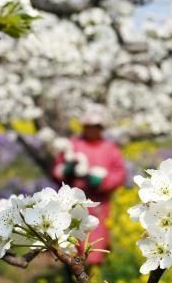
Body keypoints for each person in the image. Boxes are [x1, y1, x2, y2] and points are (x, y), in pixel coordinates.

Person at [51, 104, 126, 265]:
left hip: (99, 203)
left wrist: (102, 182)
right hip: (71, 201)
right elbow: (57, 171)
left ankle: (92, 271)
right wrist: (67, 171)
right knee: (69, 241)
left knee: (95, 240)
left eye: (96, 126)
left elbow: (119, 174)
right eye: (88, 126)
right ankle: (72, 272)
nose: (92, 129)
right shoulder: (73, 144)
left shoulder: (110, 148)